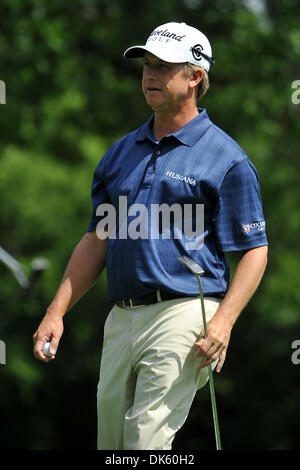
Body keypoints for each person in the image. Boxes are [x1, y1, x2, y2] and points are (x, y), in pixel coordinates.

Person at [33, 22, 268, 450]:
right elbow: (97, 239)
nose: (150, 76)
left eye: (164, 67)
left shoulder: (227, 158)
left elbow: (255, 250)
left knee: (145, 443)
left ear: (195, 76)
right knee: (112, 445)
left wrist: (224, 321)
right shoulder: (121, 152)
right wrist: (56, 311)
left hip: (184, 311)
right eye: (147, 66)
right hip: (120, 316)